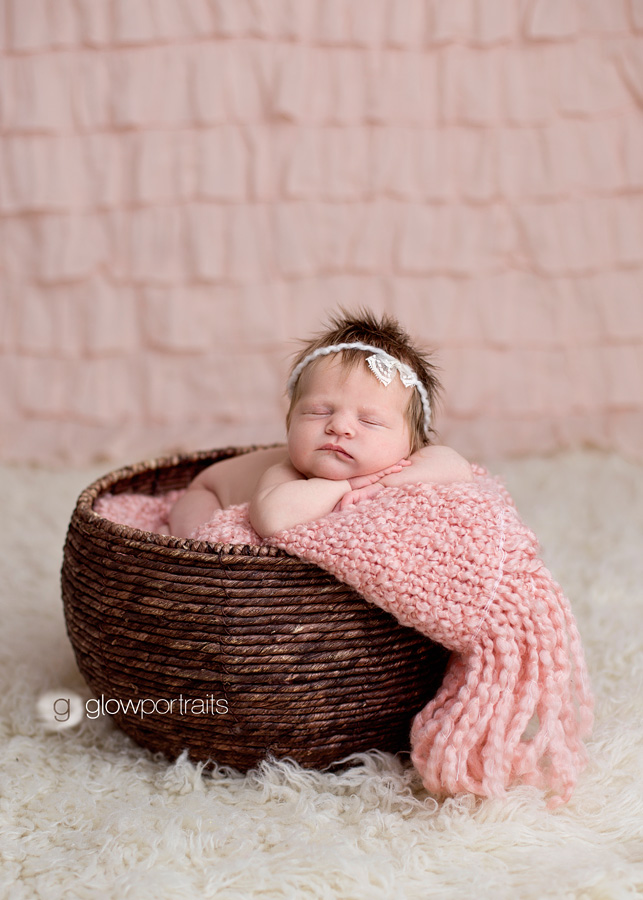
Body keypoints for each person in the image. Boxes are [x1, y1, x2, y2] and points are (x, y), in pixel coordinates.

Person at [168, 310, 473, 539]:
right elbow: (273, 519)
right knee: (198, 538)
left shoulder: (403, 462)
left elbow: (458, 468)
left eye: (369, 420)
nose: (339, 427)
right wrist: (347, 486)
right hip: (208, 491)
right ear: (290, 422)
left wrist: (379, 484)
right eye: (318, 412)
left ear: (412, 443)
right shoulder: (288, 472)